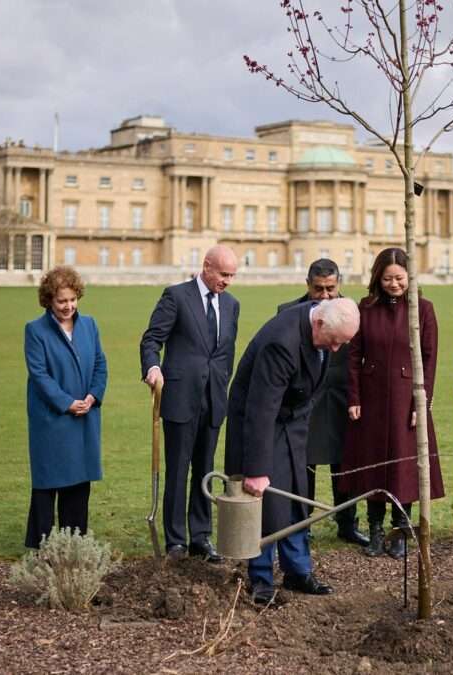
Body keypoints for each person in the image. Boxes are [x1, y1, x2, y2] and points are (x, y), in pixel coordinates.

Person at [225, 298, 361, 606]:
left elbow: (312, 386)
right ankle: (260, 578)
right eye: (335, 342)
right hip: (262, 424)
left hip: (292, 421)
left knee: (294, 495)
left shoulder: (322, 329)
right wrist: (256, 469)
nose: (336, 349)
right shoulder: (281, 344)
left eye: (343, 343)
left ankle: (297, 571)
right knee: (267, 500)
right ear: (319, 324)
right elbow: (261, 408)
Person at [342, 247, 444, 560]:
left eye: (399, 278)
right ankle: (374, 530)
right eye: (388, 278)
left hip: (405, 398)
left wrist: (420, 402)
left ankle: (400, 530)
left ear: (410, 278)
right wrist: (354, 397)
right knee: (374, 465)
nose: (394, 284)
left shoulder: (423, 310)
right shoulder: (366, 307)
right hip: (371, 398)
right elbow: (353, 356)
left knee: (403, 466)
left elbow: (429, 359)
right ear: (378, 278)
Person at [140, 245, 240, 562]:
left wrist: (221, 383)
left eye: (232, 276)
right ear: (206, 267)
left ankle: (200, 537)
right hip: (180, 398)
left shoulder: (232, 304)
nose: (227, 281)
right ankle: (176, 541)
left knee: (205, 469)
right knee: (179, 470)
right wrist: (152, 368)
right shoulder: (176, 296)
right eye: (223, 274)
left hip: (214, 400)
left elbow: (226, 353)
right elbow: (151, 340)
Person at [276, 259, 369, 547]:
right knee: (302, 464)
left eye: (330, 288)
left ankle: (347, 523)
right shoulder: (288, 312)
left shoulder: (353, 311)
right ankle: (302, 522)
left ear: (339, 284)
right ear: (308, 284)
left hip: (343, 398)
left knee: (345, 464)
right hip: (304, 398)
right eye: (319, 289)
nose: (325, 295)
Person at [23, 266, 108, 548]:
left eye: (72, 299)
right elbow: (39, 375)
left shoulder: (90, 325)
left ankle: (75, 545)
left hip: (85, 415)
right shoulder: (35, 330)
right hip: (52, 418)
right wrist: (66, 403)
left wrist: (93, 396)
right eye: (62, 301)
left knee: (78, 482)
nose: (68, 306)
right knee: (47, 484)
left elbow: (100, 364)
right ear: (49, 300)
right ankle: (41, 546)